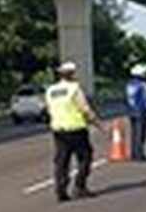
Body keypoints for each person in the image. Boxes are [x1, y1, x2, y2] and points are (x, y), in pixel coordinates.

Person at [44, 61, 103, 203]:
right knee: (85, 157)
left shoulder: (51, 90)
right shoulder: (74, 88)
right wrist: (97, 123)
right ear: (72, 74)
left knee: (61, 161)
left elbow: (48, 109)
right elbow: (85, 109)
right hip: (76, 128)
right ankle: (79, 186)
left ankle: (61, 191)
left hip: (58, 129)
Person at [126, 64, 146, 160]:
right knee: (141, 133)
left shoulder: (129, 84)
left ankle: (134, 153)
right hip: (141, 111)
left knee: (134, 133)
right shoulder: (144, 85)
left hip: (131, 110)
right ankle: (140, 154)